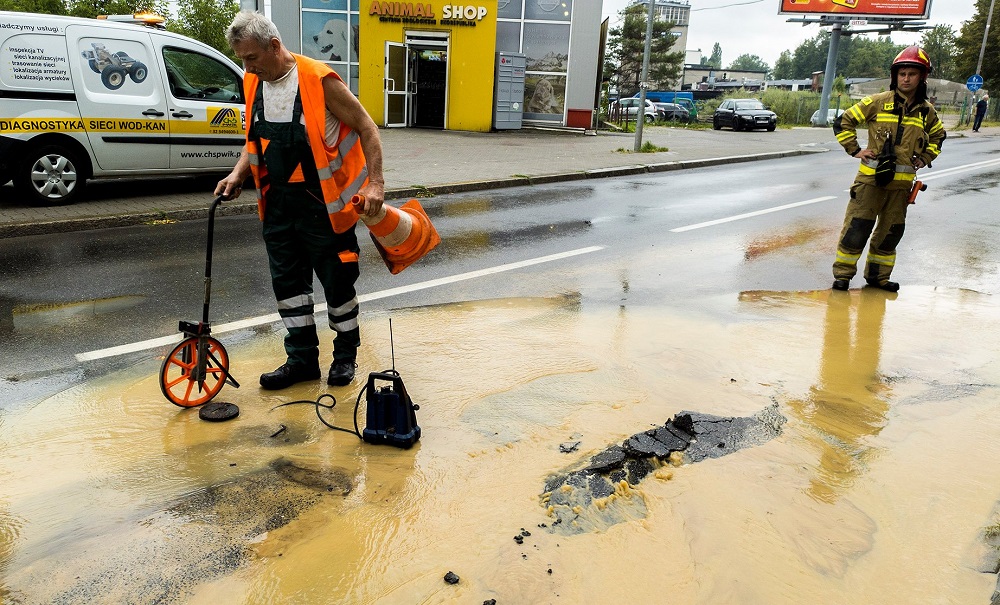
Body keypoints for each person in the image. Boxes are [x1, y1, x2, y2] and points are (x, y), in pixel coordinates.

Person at [215, 11, 385, 390]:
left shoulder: (317, 80)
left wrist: (376, 184)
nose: (247, 66)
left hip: (325, 207)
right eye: (243, 59)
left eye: (252, 58)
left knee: (338, 287)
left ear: (275, 46)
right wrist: (238, 173)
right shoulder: (253, 82)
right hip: (277, 208)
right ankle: (302, 361)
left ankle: (345, 358)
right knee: (289, 288)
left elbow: (366, 127)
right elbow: (256, 142)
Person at [829, 46, 946, 293]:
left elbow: (939, 136)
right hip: (870, 182)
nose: (906, 78)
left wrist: (925, 157)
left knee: (890, 234)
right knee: (856, 230)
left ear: (921, 77)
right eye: (902, 73)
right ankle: (842, 276)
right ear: (895, 76)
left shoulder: (926, 111)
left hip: (900, 188)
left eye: (912, 74)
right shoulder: (878, 102)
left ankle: (878, 278)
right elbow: (843, 121)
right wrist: (855, 150)